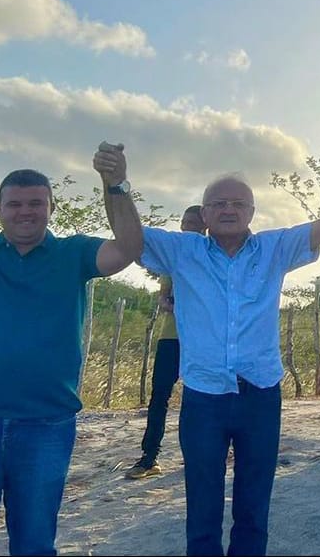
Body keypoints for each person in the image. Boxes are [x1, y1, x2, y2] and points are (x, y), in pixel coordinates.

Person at [0, 137, 143, 556]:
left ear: (51, 208)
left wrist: (116, 184)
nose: (26, 211)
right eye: (15, 204)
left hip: (46, 425)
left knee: (35, 545)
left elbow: (128, 249)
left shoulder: (75, 254)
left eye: (36, 203)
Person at [137, 135, 320, 557]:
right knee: (202, 505)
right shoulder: (183, 251)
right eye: (218, 203)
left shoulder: (273, 248)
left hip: (260, 395)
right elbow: (127, 237)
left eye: (238, 203)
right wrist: (116, 186)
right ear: (204, 214)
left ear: (252, 211)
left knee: (254, 503)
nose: (228, 209)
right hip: (204, 397)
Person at [126, 204, 205, 479]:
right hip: (171, 336)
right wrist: (173, 304)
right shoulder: (174, 258)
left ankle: (200, 455)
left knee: (200, 398)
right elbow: (163, 298)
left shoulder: (212, 256)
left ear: (205, 226)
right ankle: (149, 457)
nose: (186, 227)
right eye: (184, 222)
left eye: (193, 222)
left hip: (201, 339)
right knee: (159, 396)